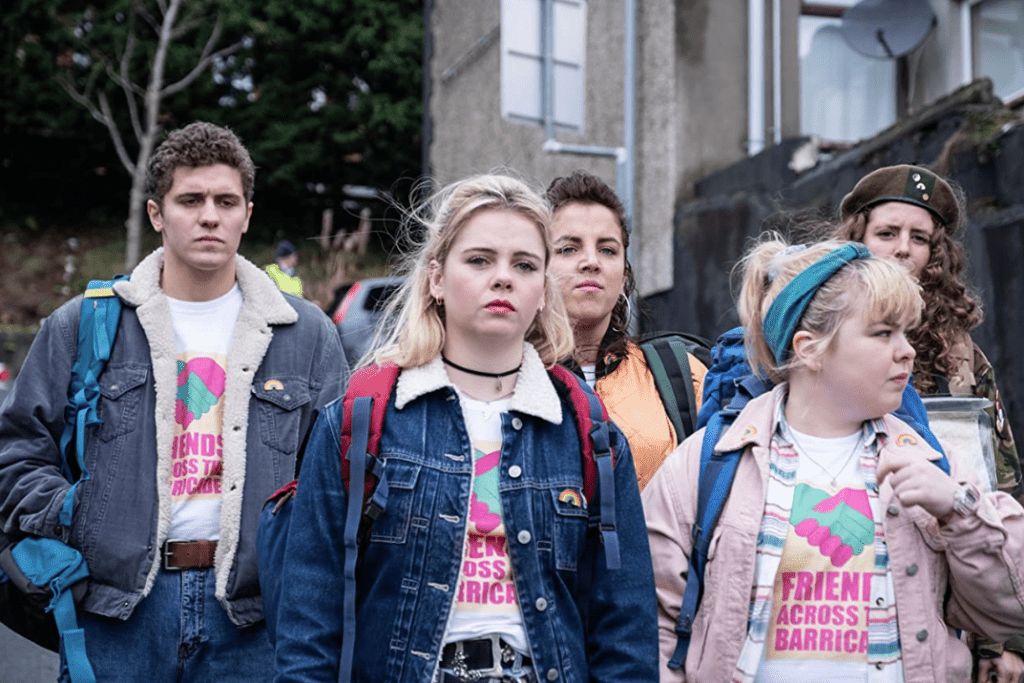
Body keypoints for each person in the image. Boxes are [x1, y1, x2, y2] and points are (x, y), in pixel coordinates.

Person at [272, 174, 658, 682]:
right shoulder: (362, 418)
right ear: (436, 278)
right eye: (479, 260)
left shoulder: (589, 434)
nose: (502, 278)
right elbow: (308, 625)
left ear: (543, 290)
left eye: (524, 265)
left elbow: (625, 631)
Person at [0, 122, 347, 681]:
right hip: (117, 614)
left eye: (225, 201)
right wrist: (79, 516)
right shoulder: (84, 325)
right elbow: (15, 454)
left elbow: (338, 477)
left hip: (255, 619)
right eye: (191, 200)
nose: (210, 215)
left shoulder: (306, 335)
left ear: (247, 214)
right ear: (158, 214)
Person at [643, 236, 1024, 682]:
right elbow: (651, 619)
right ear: (809, 348)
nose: (907, 350)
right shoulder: (710, 461)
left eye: (906, 332)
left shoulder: (930, 461)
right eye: (883, 332)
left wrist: (960, 509)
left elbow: (1012, 609)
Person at [835, 165, 1024, 681]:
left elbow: (998, 488)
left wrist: (1000, 644)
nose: (902, 249)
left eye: (919, 238)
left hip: (944, 608)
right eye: (887, 233)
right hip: (837, 582)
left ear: (935, 254)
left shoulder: (963, 361)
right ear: (857, 239)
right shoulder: (816, 341)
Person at [546, 171, 707, 490]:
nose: (591, 261)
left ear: (624, 276)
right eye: (568, 249)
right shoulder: (505, 377)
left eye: (607, 249)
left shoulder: (682, 372)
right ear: (536, 266)